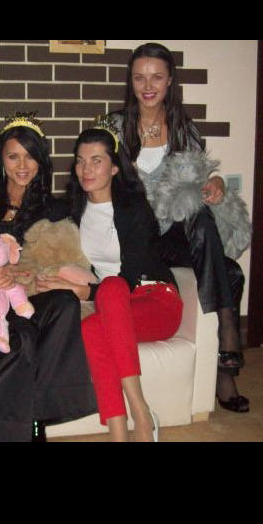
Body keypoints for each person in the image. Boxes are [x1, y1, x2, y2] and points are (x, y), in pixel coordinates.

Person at [109, 42, 248, 413]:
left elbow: (200, 176)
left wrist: (216, 182)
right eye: (139, 78)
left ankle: (223, 357)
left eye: (157, 77)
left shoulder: (185, 129)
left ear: (170, 80)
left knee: (201, 218)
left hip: (174, 235)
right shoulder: (115, 127)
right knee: (231, 273)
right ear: (130, 81)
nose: (148, 86)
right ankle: (227, 357)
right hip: (135, 237)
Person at [0, 112, 97, 441]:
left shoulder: (54, 209)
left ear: (41, 162)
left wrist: (25, 275)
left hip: (27, 297)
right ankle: (20, 423)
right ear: (0, 160)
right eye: (13, 156)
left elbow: (58, 261)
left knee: (63, 303)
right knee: (26, 335)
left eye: (30, 156)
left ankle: (37, 416)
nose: (22, 165)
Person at [36, 120, 183, 442]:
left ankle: (140, 412)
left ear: (115, 168)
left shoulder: (135, 210)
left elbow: (129, 279)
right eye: (80, 161)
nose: (86, 169)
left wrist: (82, 290)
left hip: (155, 301)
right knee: (91, 328)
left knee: (114, 286)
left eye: (96, 160)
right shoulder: (74, 210)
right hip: (112, 306)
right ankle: (118, 431)